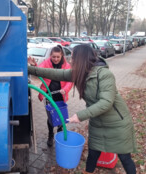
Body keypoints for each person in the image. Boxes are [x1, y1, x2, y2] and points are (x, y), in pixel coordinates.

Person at [28, 44, 137, 174]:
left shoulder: (104, 74)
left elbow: (106, 102)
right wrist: (31, 69)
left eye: (73, 57)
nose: (70, 60)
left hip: (117, 123)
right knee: (93, 153)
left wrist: (80, 115)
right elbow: (55, 73)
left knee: (124, 157)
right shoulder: (79, 73)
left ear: (81, 59)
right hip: (97, 121)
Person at [29, 45, 73, 147]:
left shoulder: (66, 66)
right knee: (51, 116)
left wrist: (65, 90)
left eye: (58, 57)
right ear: (50, 56)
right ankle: (50, 135)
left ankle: (60, 133)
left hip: (61, 95)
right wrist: (33, 65)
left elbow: (70, 81)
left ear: (62, 56)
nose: (56, 59)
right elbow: (38, 71)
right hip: (49, 95)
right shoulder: (47, 63)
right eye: (54, 57)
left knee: (61, 116)